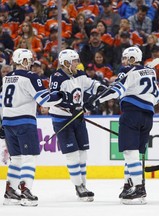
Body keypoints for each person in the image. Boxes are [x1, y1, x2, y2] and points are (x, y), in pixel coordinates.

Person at [85, 46, 159, 205]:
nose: (123, 62)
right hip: (148, 117)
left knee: (129, 152)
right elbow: (158, 95)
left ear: (132, 59)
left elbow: (116, 91)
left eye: (126, 58)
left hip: (132, 114)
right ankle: (129, 184)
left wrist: (96, 100)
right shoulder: (151, 72)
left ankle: (139, 188)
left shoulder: (128, 71)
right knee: (134, 154)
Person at [2, 48, 72, 206]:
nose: (31, 63)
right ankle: (25, 190)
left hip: (8, 122)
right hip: (24, 122)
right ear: (24, 61)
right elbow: (44, 100)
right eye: (29, 60)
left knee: (17, 159)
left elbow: (2, 100)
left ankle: (10, 192)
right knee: (29, 158)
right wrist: (61, 96)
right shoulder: (31, 76)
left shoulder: (7, 78)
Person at [49, 49, 105, 202]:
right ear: (66, 63)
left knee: (82, 153)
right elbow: (53, 99)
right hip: (63, 120)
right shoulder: (57, 77)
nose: (77, 64)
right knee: (72, 154)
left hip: (78, 119)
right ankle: (78, 186)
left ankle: (83, 185)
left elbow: (90, 84)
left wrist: (101, 88)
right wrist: (69, 107)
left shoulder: (79, 74)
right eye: (74, 61)